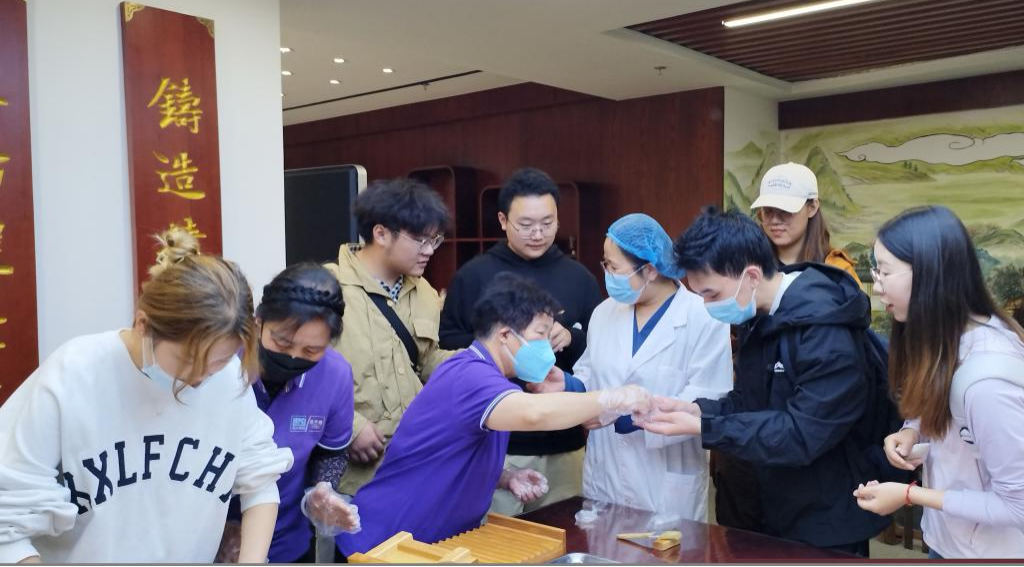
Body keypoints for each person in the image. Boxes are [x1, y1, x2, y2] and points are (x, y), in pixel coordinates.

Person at [0, 228, 293, 563]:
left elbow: (259, 480)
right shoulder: (74, 374)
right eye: (187, 361)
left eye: (218, 361)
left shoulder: (226, 380)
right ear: (143, 324)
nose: (199, 379)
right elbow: (7, 520)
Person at [336, 273, 654, 556]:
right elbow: (534, 414)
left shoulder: (489, 376)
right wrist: (613, 397)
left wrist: (505, 477)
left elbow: (454, 449)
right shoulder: (471, 375)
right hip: (387, 542)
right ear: (505, 335)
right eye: (540, 335)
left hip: (429, 543)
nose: (549, 347)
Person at [644, 207, 891, 556]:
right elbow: (751, 401)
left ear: (751, 275)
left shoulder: (826, 331)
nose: (706, 306)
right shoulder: (759, 314)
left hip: (828, 515)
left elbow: (803, 433)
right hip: (778, 501)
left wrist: (707, 427)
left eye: (711, 294)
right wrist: (696, 411)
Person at [852, 206, 1024, 559]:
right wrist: (912, 430)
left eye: (884, 271)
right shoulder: (946, 340)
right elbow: (942, 403)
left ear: (929, 272)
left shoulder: (988, 383)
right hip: (950, 541)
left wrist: (908, 495)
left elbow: (1017, 504)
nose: (877, 285)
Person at [535, 213, 731, 520]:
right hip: (606, 476)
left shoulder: (703, 317)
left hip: (665, 480)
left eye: (614, 268)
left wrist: (622, 414)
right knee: (603, 543)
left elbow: (708, 399)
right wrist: (569, 385)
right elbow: (591, 375)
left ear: (650, 269)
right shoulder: (604, 313)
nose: (607, 274)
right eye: (606, 265)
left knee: (668, 545)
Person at [439, 167, 602, 514]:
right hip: (497, 446)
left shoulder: (580, 278)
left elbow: (600, 350)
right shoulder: (474, 275)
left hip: (565, 442)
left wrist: (571, 337)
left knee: (566, 534)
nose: (538, 234)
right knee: (499, 538)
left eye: (547, 223)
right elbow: (450, 346)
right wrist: (507, 346)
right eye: (526, 224)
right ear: (503, 220)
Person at [324, 178, 457, 496]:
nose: (429, 251)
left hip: (413, 460)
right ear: (381, 234)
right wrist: (350, 427)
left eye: (435, 240)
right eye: (420, 240)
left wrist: (484, 361)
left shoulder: (424, 292)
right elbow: (302, 375)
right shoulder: (327, 286)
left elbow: (425, 361)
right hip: (351, 477)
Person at [218, 263, 359, 563]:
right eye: (282, 341)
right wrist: (222, 528)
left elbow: (331, 452)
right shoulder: (221, 360)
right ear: (258, 321)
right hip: (206, 536)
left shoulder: (335, 376)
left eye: (311, 351)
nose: (293, 357)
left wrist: (323, 489)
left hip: (286, 540)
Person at [751, 162, 860, 284]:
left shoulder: (838, 271)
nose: (775, 220)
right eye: (768, 211)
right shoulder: (748, 265)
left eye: (786, 210)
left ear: (812, 207)